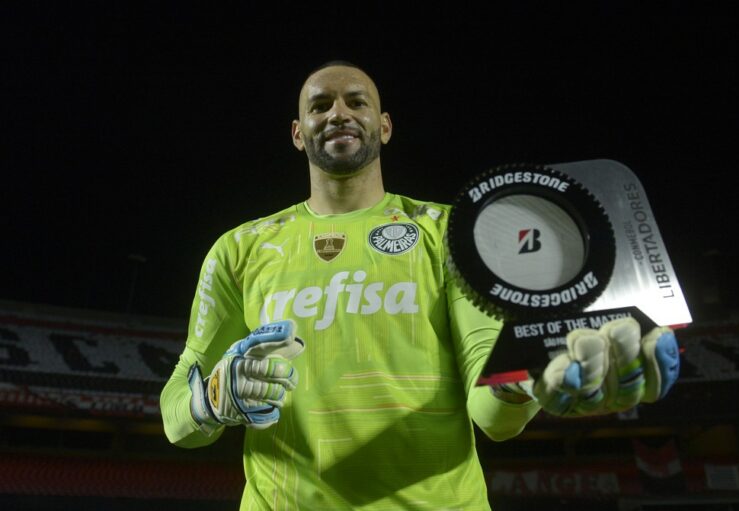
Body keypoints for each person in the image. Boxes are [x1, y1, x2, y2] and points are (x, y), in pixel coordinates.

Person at [160, 61, 680, 510]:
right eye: (319, 106)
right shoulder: (239, 249)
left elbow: (493, 415)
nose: (338, 112)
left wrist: (530, 377)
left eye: (356, 101)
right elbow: (175, 416)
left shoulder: (448, 234)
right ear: (298, 133)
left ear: (383, 125)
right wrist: (212, 398)